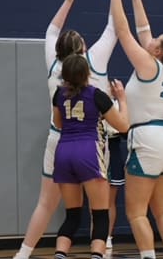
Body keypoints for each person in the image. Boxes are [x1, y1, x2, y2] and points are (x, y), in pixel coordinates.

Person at [13, 0, 117, 259]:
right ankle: (100, 250)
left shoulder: (54, 65)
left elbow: (51, 31)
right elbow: (113, 28)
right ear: (82, 48)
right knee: (98, 207)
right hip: (91, 141)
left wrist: (68, 1)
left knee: (46, 204)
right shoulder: (93, 62)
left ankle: (23, 254)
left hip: (58, 140)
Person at [99, 0, 163, 259]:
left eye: (155, 41)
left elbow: (125, 31)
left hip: (149, 138)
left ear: (158, 51)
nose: (149, 40)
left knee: (136, 212)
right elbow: (143, 31)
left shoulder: (148, 64)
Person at [51, 54, 130, 259]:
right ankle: (96, 255)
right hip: (88, 151)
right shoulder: (96, 95)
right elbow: (123, 126)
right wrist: (122, 99)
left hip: (63, 152)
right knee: (100, 214)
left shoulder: (58, 94)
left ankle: (60, 254)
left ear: (64, 74)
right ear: (87, 73)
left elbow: (58, 123)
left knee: (72, 215)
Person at [103, 118, 127, 249]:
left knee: (110, 200)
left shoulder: (118, 107)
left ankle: (107, 236)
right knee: (95, 200)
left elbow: (125, 130)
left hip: (113, 148)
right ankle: (96, 235)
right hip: (93, 146)